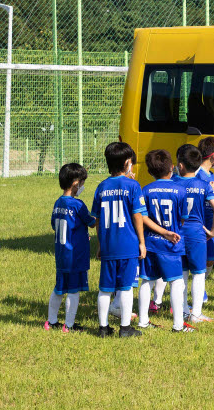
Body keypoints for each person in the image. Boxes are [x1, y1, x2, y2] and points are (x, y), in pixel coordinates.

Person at [92, 142, 151, 337]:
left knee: (105, 288)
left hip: (108, 245)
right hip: (128, 246)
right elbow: (137, 216)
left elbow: (98, 221)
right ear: (127, 163)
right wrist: (142, 242)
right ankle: (125, 328)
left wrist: (100, 243)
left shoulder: (101, 187)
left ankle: (103, 328)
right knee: (126, 287)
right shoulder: (133, 185)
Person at [139, 150, 194, 333]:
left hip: (151, 242)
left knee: (147, 280)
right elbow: (183, 219)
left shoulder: (146, 190)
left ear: (150, 171)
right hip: (171, 244)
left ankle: (143, 321)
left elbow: (142, 217)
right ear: (172, 167)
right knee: (177, 282)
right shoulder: (180, 190)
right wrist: (168, 231)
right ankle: (178, 325)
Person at [173, 143, 214, 324]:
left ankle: (184, 310)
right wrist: (213, 232)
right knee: (199, 274)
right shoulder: (204, 185)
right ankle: (197, 313)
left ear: (181, 165)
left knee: (182, 274)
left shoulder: (173, 182)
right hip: (197, 233)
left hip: (177, 232)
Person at [45, 162, 96, 332]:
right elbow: (91, 223)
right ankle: (69, 325)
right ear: (75, 184)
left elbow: (55, 225)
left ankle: (51, 322)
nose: (82, 186)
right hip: (75, 256)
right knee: (73, 290)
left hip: (61, 255)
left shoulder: (58, 202)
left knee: (59, 288)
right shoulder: (77, 204)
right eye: (82, 183)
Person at [195, 136, 214, 303]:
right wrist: (209, 190)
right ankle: (198, 292)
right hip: (200, 223)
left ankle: (201, 287)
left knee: (210, 259)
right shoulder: (197, 174)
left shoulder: (211, 173)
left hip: (209, 221)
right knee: (199, 260)